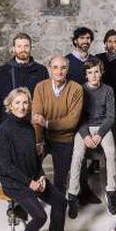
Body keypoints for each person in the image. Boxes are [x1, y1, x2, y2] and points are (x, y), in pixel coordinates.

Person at [0, 87, 75, 231]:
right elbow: (4, 167)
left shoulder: (30, 127)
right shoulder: (4, 131)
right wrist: (29, 183)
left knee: (60, 201)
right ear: (10, 105)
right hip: (14, 182)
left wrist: (40, 177)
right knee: (39, 216)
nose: (22, 107)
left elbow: (34, 158)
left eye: (25, 102)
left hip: (32, 177)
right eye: (17, 103)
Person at [67, 58, 116, 218]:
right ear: (86, 75)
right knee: (77, 155)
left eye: (96, 71)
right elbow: (77, 117)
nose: (94, 75)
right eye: (90, 73)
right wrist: (86, 136)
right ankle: (72, 195)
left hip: (102, 127)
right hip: (84, 127)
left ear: (101, 72)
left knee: (111, 153)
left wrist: (99, 135)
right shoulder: (80, 90)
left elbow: (110, 117)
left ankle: (111, 192)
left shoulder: (108, 90)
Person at [31, 55, 83, 196]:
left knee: (60, 180)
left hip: (64, 139)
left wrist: (47, 123)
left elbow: (72, 121)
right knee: (29, 162)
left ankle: (58, 202)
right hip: (44, 137)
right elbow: (36, 118)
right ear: (49, 69)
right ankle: (37, 194)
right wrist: (38, 141)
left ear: (67, 70)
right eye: (55, 67)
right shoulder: (41, 87)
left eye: (63, 68)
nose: (59, 71)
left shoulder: (76, 89)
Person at [0, 32, 48, 134]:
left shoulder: (41, 70)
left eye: (26, 46)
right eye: (19, 46)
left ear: (30, 48)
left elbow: (46, 100)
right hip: (8, 123)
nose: (23, 49)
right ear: (13, 48)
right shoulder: (3, 71)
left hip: (32, 124)